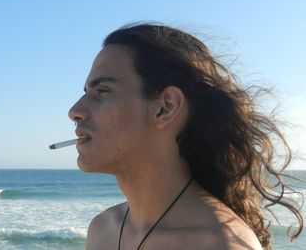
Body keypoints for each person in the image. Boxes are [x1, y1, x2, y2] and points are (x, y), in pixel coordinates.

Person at [68, 23, 303, 250]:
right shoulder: (103, 229)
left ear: (165, 107)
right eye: (86, 92)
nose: (75, 112)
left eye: (102, 91)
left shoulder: (222, 245)